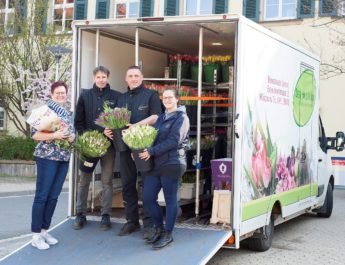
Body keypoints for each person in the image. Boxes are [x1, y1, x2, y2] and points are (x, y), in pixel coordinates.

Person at [115, 65, 162, 238]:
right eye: (130, 76)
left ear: (142, 78)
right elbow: (116, 121)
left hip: (144, 147)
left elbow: (156, 117)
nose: (134, 78)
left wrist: (136, 126)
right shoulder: (122, 98)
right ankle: (132, 221)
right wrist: (110, 129)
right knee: (128, 183)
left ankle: (149, 222)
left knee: (147, 184)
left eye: (136, 75)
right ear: (126, 79)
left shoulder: (151, 95)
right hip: (125, 148)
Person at [140, 88, 189, 250]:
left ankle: (168, 234)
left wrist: (151, 151)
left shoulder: (182, 118)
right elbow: (153, 138)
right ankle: (159, 229)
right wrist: (141, 150)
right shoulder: (161, 117)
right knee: (147, 198)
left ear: (177, 100)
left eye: (170, 97)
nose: (167, 100)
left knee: (170, 200)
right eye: (164, 98)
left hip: (172, 163)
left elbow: (174, 141)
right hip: (156, 164)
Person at [73, 66, 121, 231]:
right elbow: (78, 123)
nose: (101, 79)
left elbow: (121, 122)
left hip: (108, 147)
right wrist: (89, 137)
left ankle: (106, 215)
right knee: (84, 181)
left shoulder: (116, 96)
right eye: (98, 77)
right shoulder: (85, 96)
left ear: (108, 77)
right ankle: (80, 213)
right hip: (89, 147)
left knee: (107, 181)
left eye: (104, 77)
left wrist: (112, 130)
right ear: (94, 78)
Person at [31, 81, 75, 250]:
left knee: (54, 196)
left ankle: (44, 231)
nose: (61, 95)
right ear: (51, 94)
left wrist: (72, 137)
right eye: (57, 93)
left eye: (63, 93)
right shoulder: (44, 111)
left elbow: (71, 134)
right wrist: (55, 134)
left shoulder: (67, 112)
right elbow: (34, 135)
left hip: (63, 158)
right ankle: (35, 235)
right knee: (42, 195)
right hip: (47, 158)